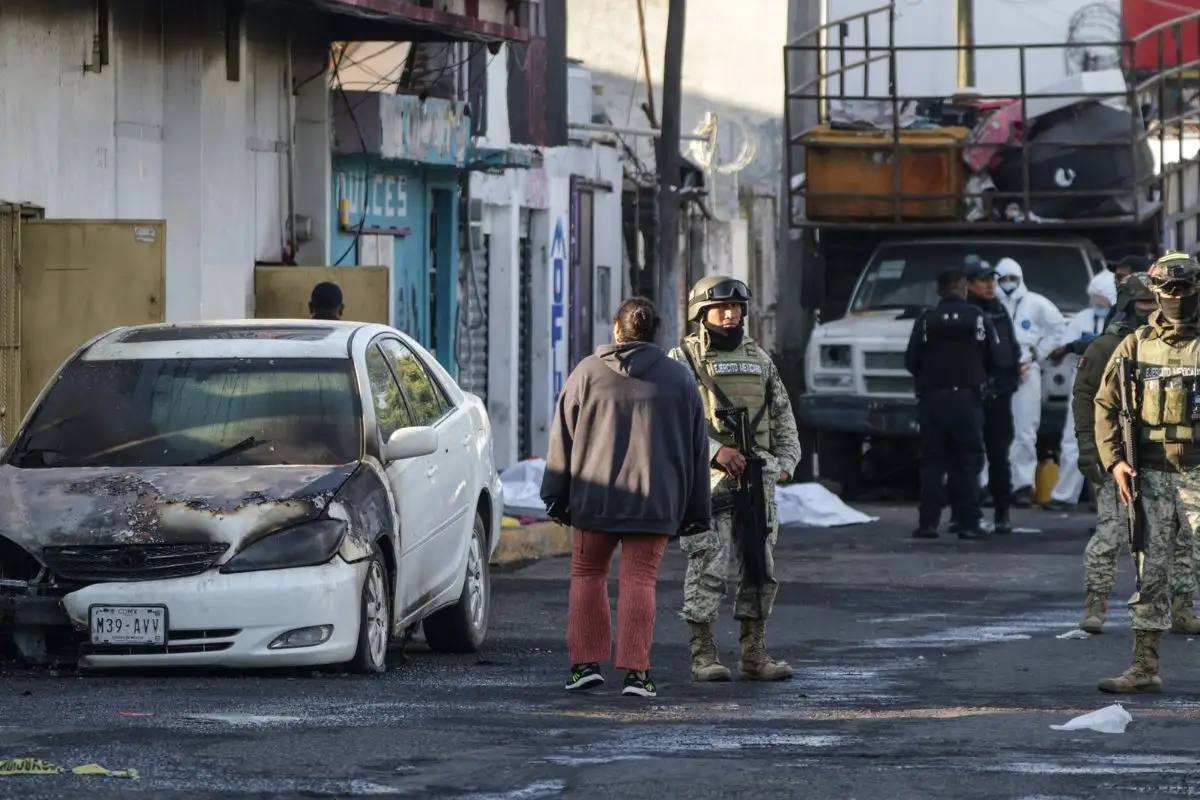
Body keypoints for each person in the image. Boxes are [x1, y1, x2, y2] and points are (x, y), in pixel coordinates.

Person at [541, 297, 711, 699]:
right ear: (654, 333)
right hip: (655, 503)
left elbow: (561, 438)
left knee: (587, 575)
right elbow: (697, 449)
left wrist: (556, 496)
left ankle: (585, 665)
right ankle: (637, 674)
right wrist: (695, 510)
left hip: (593, 499)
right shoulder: (679, 379)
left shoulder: (586, 373)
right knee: (640, 581)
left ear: (617, 329)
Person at [668, 276, 801, 683]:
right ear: (701, 314)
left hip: (757, 477)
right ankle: (703, 654)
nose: (732, 314)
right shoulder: (683, 360)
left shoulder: (758, 358)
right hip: (708, 480)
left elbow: (782, 414)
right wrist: (715, 452)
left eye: (738, 307)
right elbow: (675, 421)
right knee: (708, 566)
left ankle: (754, 654)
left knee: (760, 568)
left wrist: (785, 462)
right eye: (722, 308)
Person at [1093, 251, 1200, 693]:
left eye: (1185, 289)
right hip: (1150, 476)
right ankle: (1144, 667)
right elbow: (1106, 405)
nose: (1176, 297)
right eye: (1168, 290)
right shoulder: (1134, 345)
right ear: (1155, 293)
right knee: (1150, 573)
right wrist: (1115, 461)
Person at [906, 269, 1000, 540]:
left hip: (932, 399)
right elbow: (995, 358)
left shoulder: (926, 320)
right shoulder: (978, 319)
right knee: (967, 461)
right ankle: (968, 522)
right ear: (964, 289)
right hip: (966, 399)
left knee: (932, 461)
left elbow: (911, 360)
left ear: (939, 290)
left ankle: (928, 523)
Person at [1043, 270, 1118, 510]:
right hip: (1083, 385)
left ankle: (1106, 498)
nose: (1096, 302)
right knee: (1072, 439)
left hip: (1110, 384)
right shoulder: (1081, 319)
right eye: (1094, 297)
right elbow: (1065, 346)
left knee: (1111, 441)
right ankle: (1065, 495)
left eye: (1101, 297)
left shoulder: (1120, 319)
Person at [995, 257, 1066, 507]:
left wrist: (1038, 353)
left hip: (1026, 370)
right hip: (995, 373)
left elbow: (1059, 329)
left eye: (1012, 278)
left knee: (1024, 430)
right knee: (990, 431)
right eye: (1003, 279)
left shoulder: (1035, 303)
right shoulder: (990, 304)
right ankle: (989, 485)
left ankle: (1022, 485)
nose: (1008, 283)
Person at [962, 255, 1021, 535]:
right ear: (969, 284)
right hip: (970, 395)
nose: (990, 286)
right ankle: (965, 513)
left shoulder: (998, 309)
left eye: (991, 281)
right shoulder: (964, 312)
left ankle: (1002, 511)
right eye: (983, 281)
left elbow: (1011, 348)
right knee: (967, 458)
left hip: (999, 395)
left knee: (999, 456)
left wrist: (1006, 382)